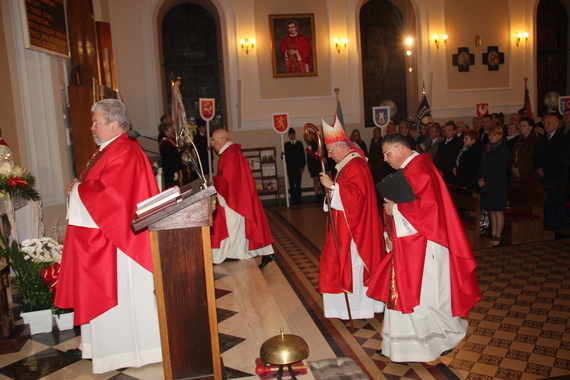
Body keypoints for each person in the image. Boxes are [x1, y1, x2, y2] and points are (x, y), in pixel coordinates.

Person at [55, 99, 162, 373]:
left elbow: (113, 198)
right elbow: (97, 185)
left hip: (121, 245)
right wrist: (79, 186)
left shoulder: (124, 151)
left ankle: (129, 351)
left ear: (114, 125)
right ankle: (104, 348)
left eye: (97, 122)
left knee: (123, 297)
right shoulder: (110, 148)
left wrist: (79, 191)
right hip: (110, 238)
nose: (92, 127)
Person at [367, 133, 481, 362]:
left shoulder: (419, 170)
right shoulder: (413, 169)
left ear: (401, 149)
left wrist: (395, 211)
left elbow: (428, 211)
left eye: (387, 154)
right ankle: (397, 345)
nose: (386, 160)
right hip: (411, 244)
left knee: (425, 296)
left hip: (426, 245)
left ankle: (442, 337)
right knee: (406, 292)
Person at [318, 115, 385, 320]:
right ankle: (346, 310)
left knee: (353, 267)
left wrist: (333, 187)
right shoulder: (348, 165)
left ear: (341, 146)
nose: (329, 156)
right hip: (345, 226)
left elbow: (356, 197)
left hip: (356, 231)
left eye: (330, 151)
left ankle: (356, 310)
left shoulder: (355, 165)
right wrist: (333, 191)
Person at [210, 129, 275, 267]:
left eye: (214, 140)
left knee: (231, 227)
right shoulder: (230, 153)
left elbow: (228, 179)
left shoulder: (231, 154)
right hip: (237, 197)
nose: (212, 144)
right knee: (241, 229)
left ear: (223, 139)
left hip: (235, 199)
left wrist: (215, 182)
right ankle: (265, 253)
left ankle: (224, 255)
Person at [535, 113, 570, 236]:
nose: (546, 125)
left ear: (557, 124)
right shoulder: (544, 138)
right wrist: (538, 167)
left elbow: (560, 158)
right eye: (545, 123)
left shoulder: (563, 138)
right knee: (548, 201)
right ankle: (551, 225)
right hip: (544, 175)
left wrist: (546, 170)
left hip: (556, 175)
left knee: (557, 201)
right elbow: (538, 154)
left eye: (549, 123)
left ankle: (559, 226)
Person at [478, 125, 509, 247]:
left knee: (498, 211)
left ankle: (498, 235)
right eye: (490, 135)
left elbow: (499, 169)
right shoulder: (487, 148)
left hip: (497, 183)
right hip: (486, 182)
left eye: (495, 135)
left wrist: (487, 180)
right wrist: (480, 178)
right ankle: (493, 234)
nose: (491, 137)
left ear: (500, 136)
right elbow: (481, 165)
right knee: (491, 211)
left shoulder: (502, 150)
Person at [509, 117, 539, 183]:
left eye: (524, 126)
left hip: (527, 173)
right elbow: (513, 154)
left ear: (530, 127)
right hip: (516, 170)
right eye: (521, 126)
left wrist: (519, 169)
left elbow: (531, 157)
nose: (521, 128)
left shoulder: (534, 140)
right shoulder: (519, 139)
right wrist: (513, 167)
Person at [282, 128, 306, 204]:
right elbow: (285, 157)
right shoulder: (286, 145)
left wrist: (302, 166)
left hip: (298, 167)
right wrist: (282, 155)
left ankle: (299, 199)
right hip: (290, 167)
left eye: (293, 134)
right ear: (289, 135)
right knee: (291, 184)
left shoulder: (299, 144)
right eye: (291, 134)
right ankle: (293, 200)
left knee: (298, 183)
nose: (292, 136)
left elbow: (302, 156)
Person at [158, 122, 184, 188]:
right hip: (171, 170)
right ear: (165, 132)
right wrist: (174, 171)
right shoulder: (165, 143)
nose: (172, 131)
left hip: (174, 168)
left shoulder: (170, 140)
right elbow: (170, 158)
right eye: (170, 130)